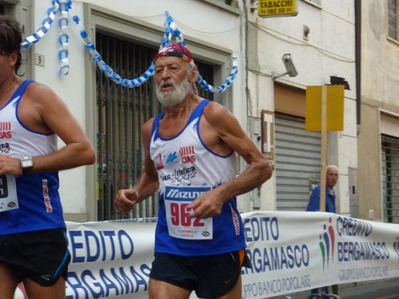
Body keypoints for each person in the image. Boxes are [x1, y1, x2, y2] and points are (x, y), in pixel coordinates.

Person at [114, 43, 272, 299]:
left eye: (173, 68)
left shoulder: (213, 115)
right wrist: (133, 192)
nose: (164, 75)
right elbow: (152, 177)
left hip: (219, 244)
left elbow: (262, 167)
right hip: (172, 245)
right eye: (158, 71)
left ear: (192, 74)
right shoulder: (150, 128)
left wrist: (220, 194)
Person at [0, 15, 96, 299]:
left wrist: (23, 165)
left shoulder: (36, 95)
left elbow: (84, 149)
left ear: (12, 57)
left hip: (38, 228)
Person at [306, 165, 339, 298]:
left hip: (329, 240)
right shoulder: (320, 192)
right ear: (325, 176)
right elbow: (312, 215)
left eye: (336, 175)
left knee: (330, 271)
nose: (334, 177)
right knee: (320, 273)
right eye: (331, 174)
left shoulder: (331, 193)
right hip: (320, 240)